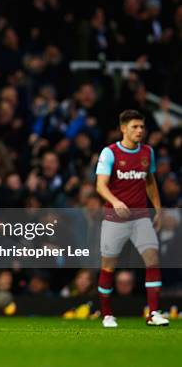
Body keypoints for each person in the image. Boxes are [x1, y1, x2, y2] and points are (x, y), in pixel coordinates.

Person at [95, 109, 168, 328]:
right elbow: (100, 185)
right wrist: (115, 201)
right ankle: (107, 314)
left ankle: (153, 313)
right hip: (114, 218)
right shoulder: (109, 153)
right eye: (135, 127)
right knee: (108, 266)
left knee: (152, 258)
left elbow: (149, 182)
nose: (140, 131)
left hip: (140, 217)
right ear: (123, 128)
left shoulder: (147, 152)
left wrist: (158, 209)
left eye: (142, 127)